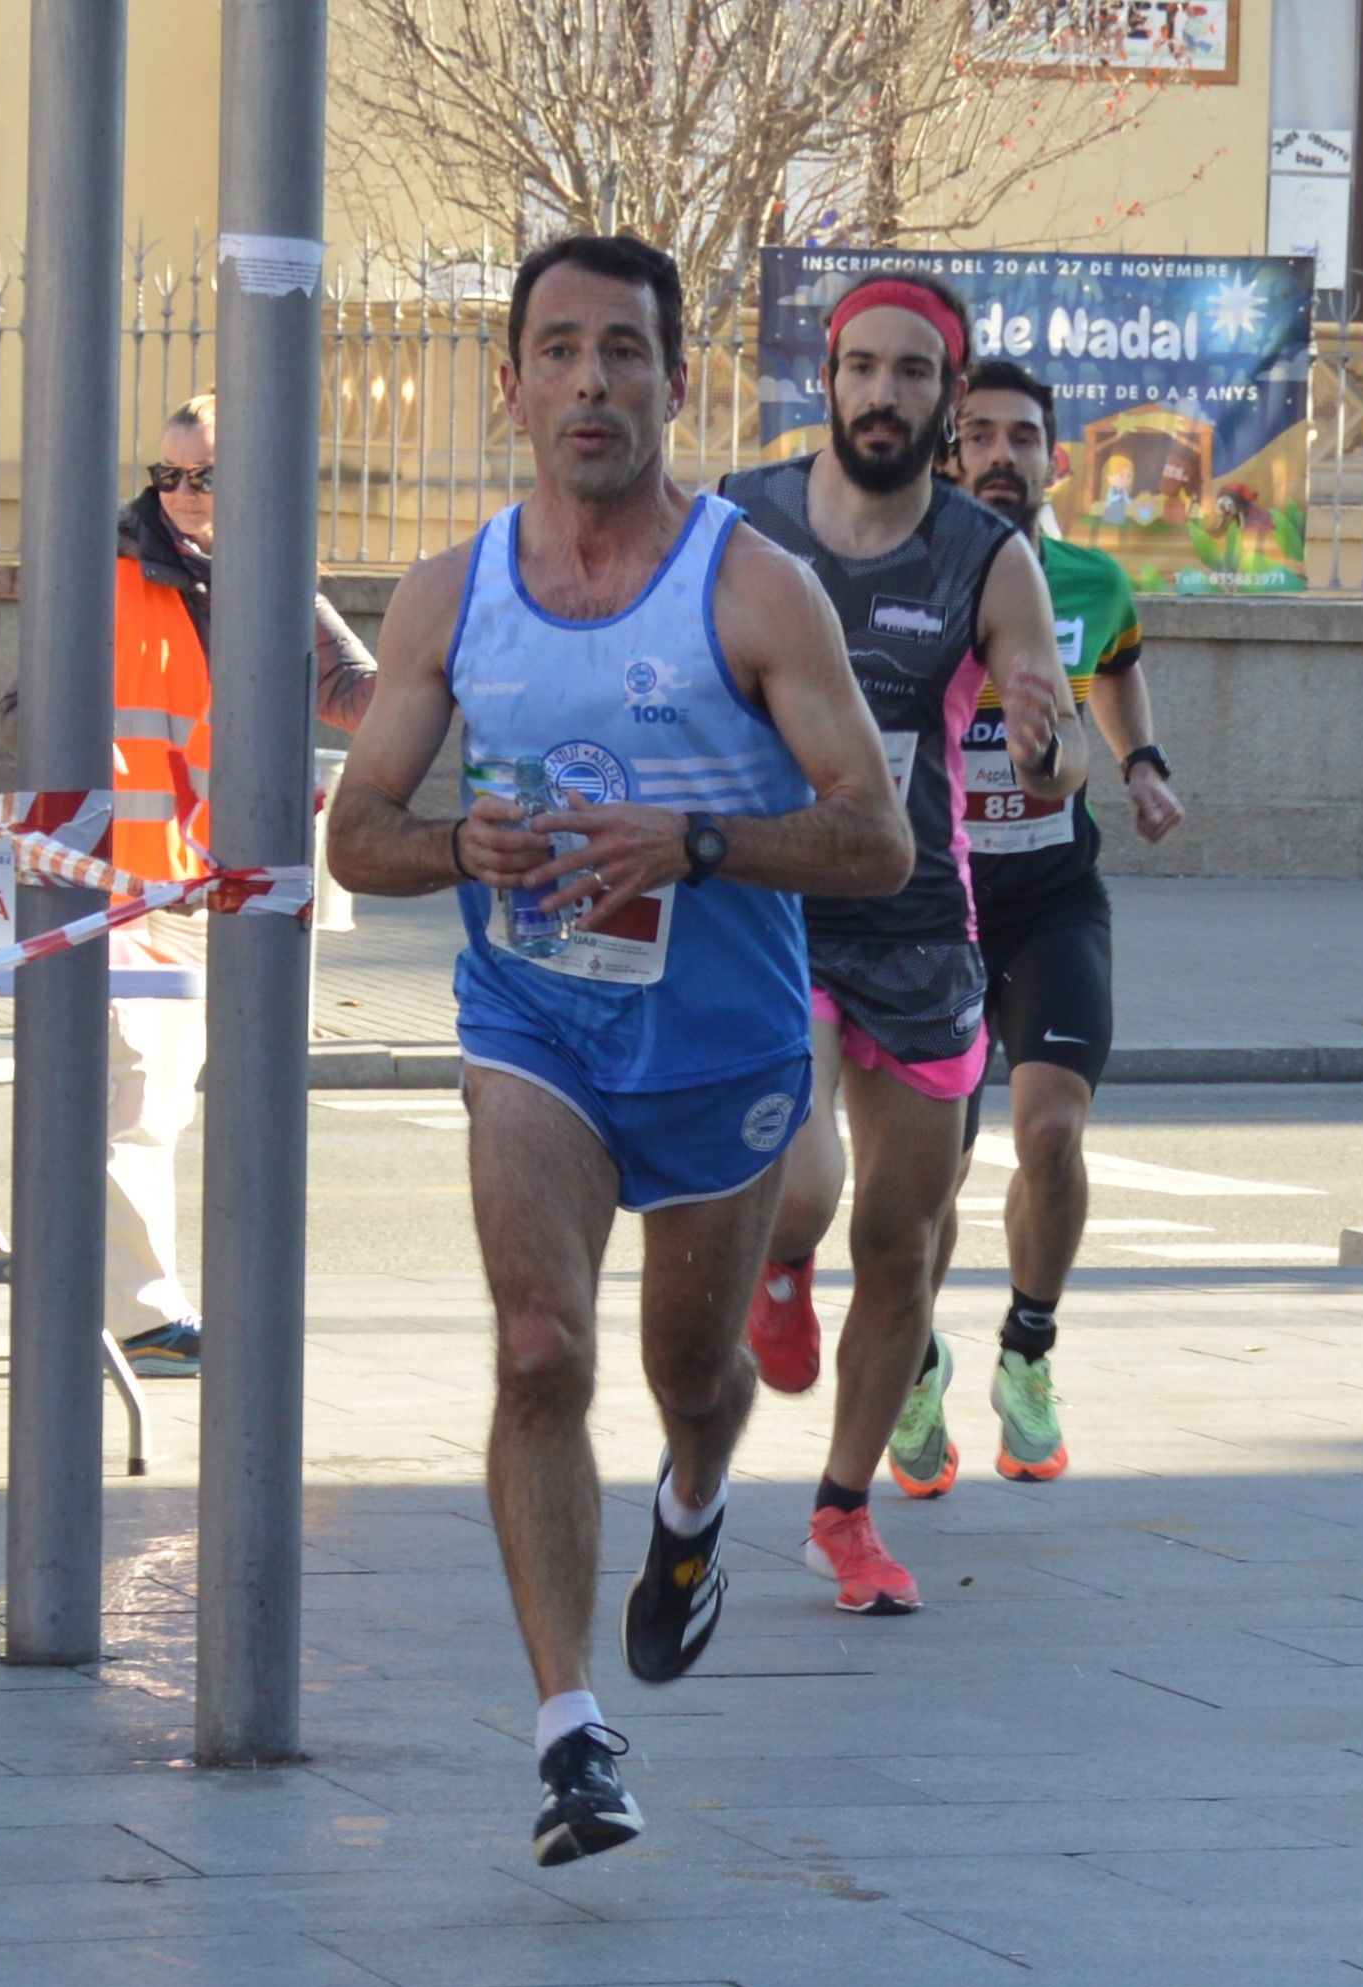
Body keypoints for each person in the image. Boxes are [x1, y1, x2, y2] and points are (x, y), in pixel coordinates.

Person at [326, 233, 908, 1863]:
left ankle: (695, 1510)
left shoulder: (751, 585)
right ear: (510, 386)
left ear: (672, 378)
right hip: (536, 1027)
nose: (593, 381)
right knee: (536, 1348)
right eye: (562, 350)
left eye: (626, 352)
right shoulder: (452, 593)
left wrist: (698, 843)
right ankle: (572, 1731)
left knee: (688, 1378)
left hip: (717, 1046)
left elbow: (879, 841)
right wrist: (462, 850)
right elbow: (359, 828)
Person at [715, 276, 1079, 1614]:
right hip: (776, 898)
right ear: (830, 376)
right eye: (862, 367)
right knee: (806, 1186)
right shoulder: (740, 519)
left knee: (908, 1240)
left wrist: (1051, 746)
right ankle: (777, 1256)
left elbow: (1059, 748)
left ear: (947, 393)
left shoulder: (988, 555)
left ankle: (845, 1506)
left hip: (924, 923)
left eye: (912, 374)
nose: (883, 394)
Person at [901, 358, 1189, 1490]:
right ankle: (910, 1363)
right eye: (979, 435)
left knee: (1054, 1134)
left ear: (1054, 461)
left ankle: (1028, 1347)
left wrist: (1144, 765)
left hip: (1052, 895)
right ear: (947, 453)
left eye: (1025, 437)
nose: (1002, 455)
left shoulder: (1092, 582)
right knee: (924, 1177)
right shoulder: (903, 578)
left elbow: (1112, 673)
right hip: (930, 908)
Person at [93, 394, 379, 1375]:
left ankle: (181, 1303)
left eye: (204, 476)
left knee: (216, 1107)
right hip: (132, 885)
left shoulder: (270, 575)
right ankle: (137, 1314)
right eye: (168, 474)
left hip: (240, 887)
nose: (181, 494)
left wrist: (442, 668)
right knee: (140, 1099)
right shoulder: (112, 572)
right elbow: (19, 710)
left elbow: (349, 687)